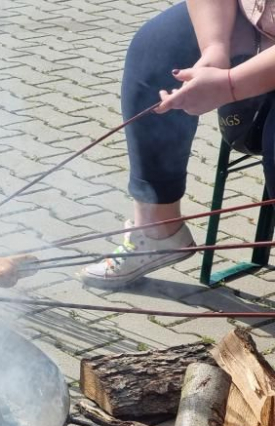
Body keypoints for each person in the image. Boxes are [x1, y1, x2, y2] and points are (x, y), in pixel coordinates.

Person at [80, 0, 275, 288]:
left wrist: (231, 84)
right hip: (252, 18)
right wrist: (214, 49)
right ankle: (159, 232)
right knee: (156, 51)